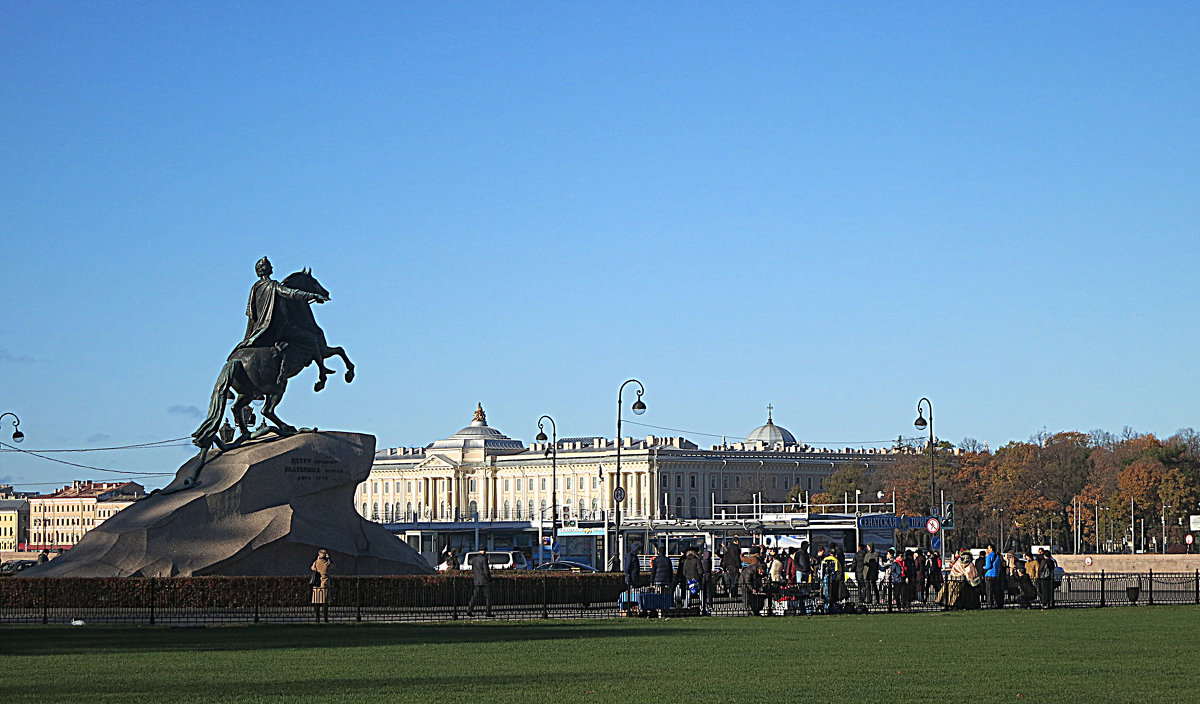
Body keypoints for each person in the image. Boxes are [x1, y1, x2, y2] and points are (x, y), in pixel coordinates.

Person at [232, 257, 327, 355]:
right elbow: (292, 293)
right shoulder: (273, 285)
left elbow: (250, 311)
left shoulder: (255, 287)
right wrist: (313, 295)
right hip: (275, 329)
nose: (272, 267)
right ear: (265, 269)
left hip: (257, 330)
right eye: (269, 265)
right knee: (312, 339)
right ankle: (322, 367)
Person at [467, 546, 493, 617]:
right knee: (488, 597)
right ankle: (488, 612)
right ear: (484, 551)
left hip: (477, 580)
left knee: (474, 596)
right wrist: (489, 579)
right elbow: (486, 571)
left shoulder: (474, 559)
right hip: (484, 580)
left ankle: (469, 609)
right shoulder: (484, 559)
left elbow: (473, 570)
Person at [310, 548, 331, 622]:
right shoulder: (326, 563)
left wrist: (316, 560)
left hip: (317, 583)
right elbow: (332, 565)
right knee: (325, 602)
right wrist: (329, 558)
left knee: (317, 601)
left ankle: (317, 617)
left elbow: (312, 568)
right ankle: (325, 618)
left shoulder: (316, 562)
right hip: (324, 583)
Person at [983, 543, 1002, 608]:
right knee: (995, 591)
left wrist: (984, 567)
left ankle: (989, 604)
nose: (987, 550)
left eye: (988, 548)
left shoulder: (989, 556)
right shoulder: (997, 556)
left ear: (991, 549)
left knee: (989, 591)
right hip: (996, 575)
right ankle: (996, 603)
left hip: (989, 575)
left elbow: (988, 566)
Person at [698, 543, 714, 615]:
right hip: (708, 576)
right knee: (708, 592)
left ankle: (702, 604)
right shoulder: (708, 561)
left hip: (703, 578)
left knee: (703, 592)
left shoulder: (701, 561)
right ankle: (709, 604)